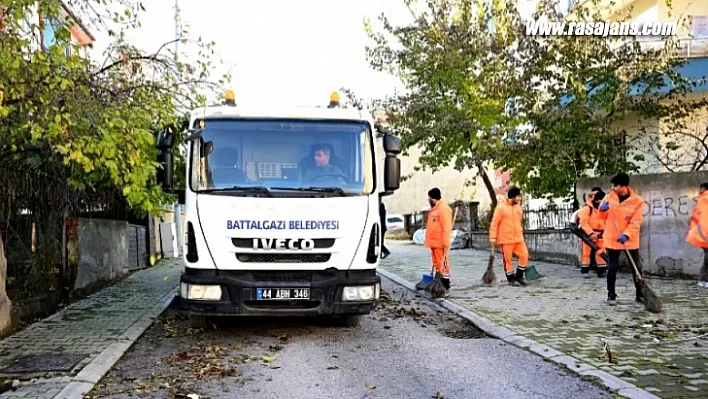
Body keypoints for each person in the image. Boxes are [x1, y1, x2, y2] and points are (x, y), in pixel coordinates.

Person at [598, 173, 645, 306]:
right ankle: (611, 294)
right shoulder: (608, 197)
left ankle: (640, 294)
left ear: (624, 186)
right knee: (612, 267)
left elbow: (636, 221)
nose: (612, 188)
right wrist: (602, 209)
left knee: (635, 267)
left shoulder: (637, 201)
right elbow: (601, 216)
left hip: (629, 240)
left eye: (615, 186)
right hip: (612, 238)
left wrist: (627, 234)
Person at [490, 186, 533, 286]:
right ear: (512, 197)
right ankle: (510, 278)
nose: (519, 199)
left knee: (524, 255)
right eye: (518, 197)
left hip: (518, 238)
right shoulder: (500, 208)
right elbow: (494, 223)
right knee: (507, 259)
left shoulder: (518, 207)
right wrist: (493, 236)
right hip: (505, 239)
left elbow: (519, 221)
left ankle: (519, 276)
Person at [424, 188, 453, 293]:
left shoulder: (443, 209)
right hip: (434, 242)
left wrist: (445, 242)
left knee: (442, 264)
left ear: (433, 198)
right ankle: (438, 282)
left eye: (429, 197)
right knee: (437, 263)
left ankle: (445, 284)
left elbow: (446, 227)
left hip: (440, 242)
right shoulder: (435, 208)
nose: (428, 199)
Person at [577, 188, 608, 278]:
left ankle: (602, 271)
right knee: (586, 253)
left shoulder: (604, 209)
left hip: (600, 234)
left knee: (601, 253)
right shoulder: (587, 209)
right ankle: (585, 270)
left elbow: (607, 221)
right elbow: (583, 222)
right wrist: (590, 233)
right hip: (588, 235)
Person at [685, 182, 708, 288]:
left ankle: (703, 280)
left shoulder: (703, 199)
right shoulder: (704, 199)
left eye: (701, 189)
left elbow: (696, 216)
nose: (700, 191)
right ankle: (703, 280)